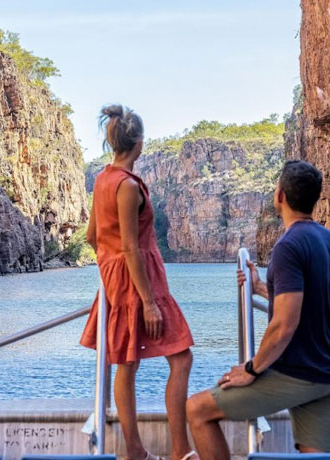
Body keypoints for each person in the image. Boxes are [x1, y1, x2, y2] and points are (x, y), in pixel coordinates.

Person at [186, 160, 330, 459]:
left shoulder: (288, 246)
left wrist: (251, 369)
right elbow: (310, 299)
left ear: (280, 196)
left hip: (299, 373)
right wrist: (260, 288)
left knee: (197, 409)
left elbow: (284, 324)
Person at [80, 104, 198, 460]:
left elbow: (92, 236)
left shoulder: (103, 179)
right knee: (181, 358)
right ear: (140, 143)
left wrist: (110, 264)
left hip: (116, 278)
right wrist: (148, 301)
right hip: (140, 279)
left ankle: (135, 451)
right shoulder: (128, 186)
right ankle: (180, 450)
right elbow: (131, 246)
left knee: (127, 363)